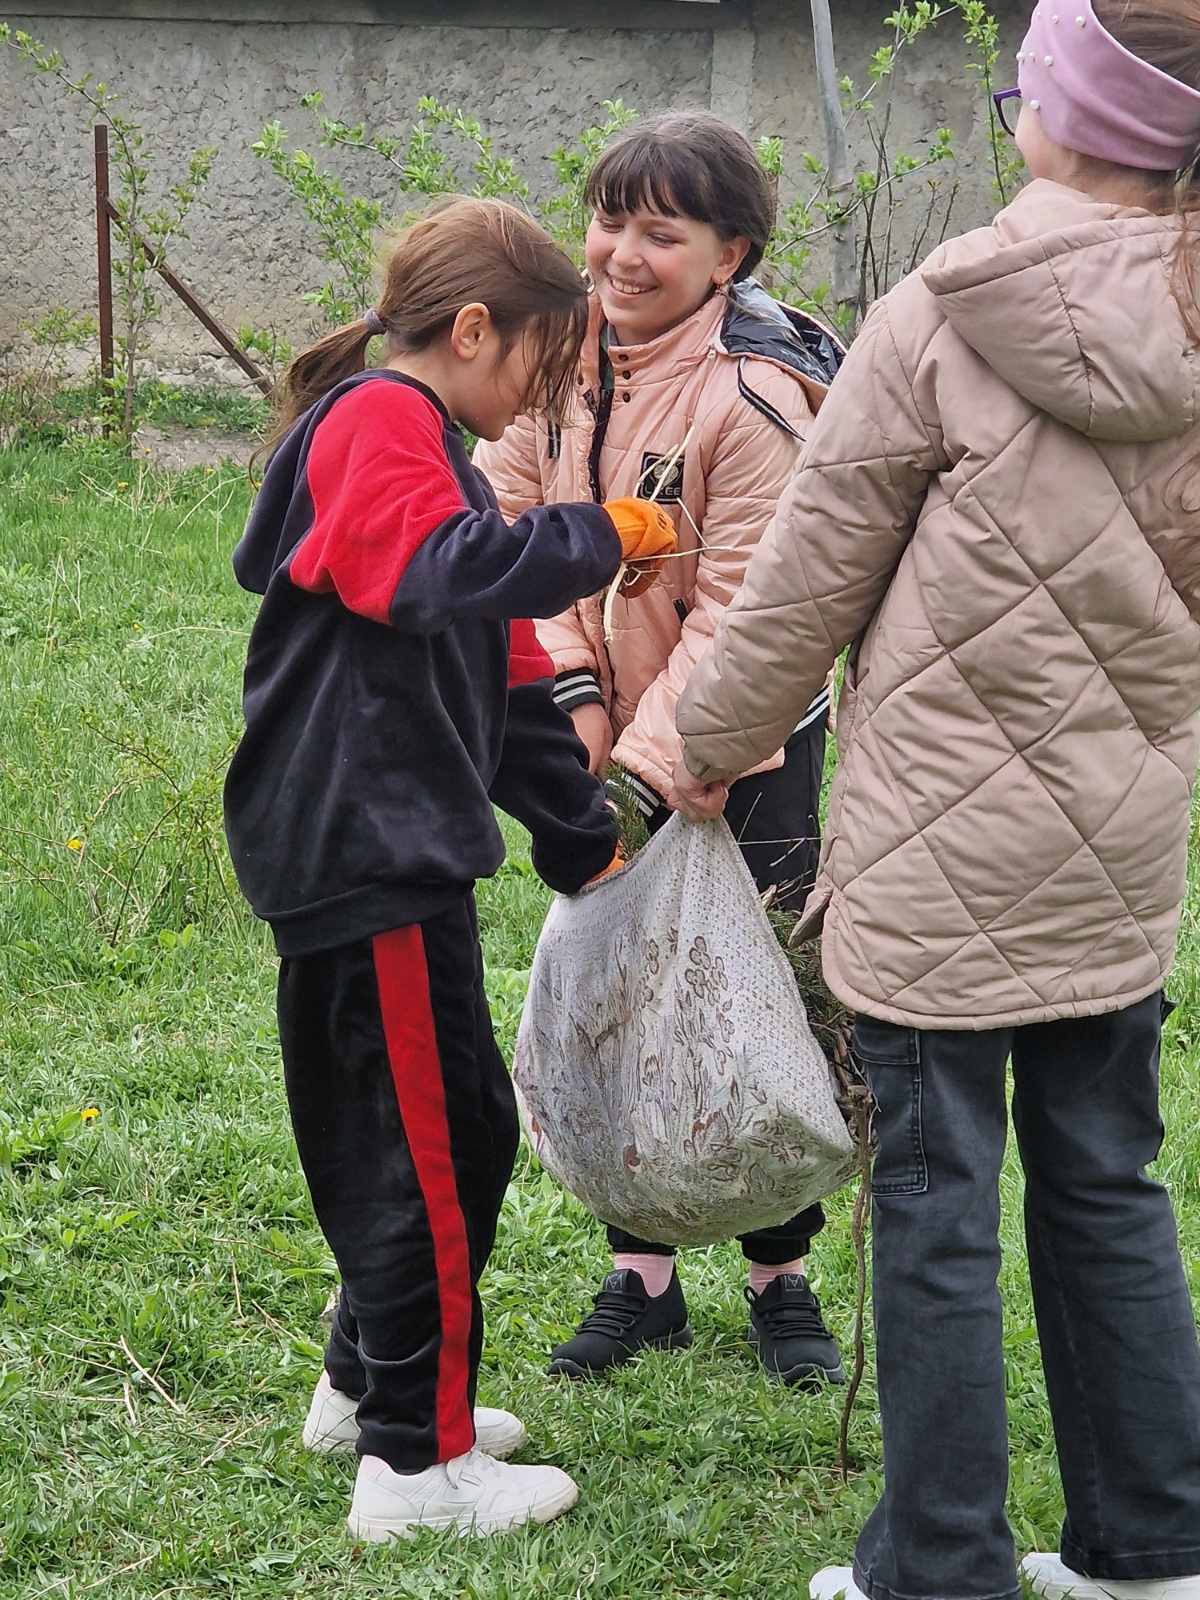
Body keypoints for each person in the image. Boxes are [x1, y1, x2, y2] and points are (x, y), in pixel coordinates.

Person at [673, 4, 1200, 1599]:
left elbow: (801, 588)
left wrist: (702, 741)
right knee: (1109, 1184)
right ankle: (1153, 1548)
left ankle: (941, 1567)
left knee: (934, 1210)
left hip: (930, 853)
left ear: (1057, 113)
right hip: (1119, 845)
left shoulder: (940, 314)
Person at [223, 197, 675, 1541]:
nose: (545, 394)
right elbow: (434, 574)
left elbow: (511, 680)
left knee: (458, 1131)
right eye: (544, 361)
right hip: (364, 846)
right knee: (419, 1156)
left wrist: (582, 837)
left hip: (393, 848)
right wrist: (602, 533)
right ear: (474, 329)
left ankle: (369, 1392)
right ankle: (416, 1469)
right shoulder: (378, 421)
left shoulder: (437, 462)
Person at [475, 110, 848, 1389]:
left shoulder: (756, 396)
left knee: (756, 1002)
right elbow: (501, 531)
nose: (624, 255)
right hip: (595, 736)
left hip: (742, 745)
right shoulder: (554, 360)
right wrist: (573, 696)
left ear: (729, 255)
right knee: (626, 989)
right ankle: (641, 1274)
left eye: (663, 232)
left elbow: (753, 611)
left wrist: (644, 766)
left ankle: (780, 1274)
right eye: (610, 221)